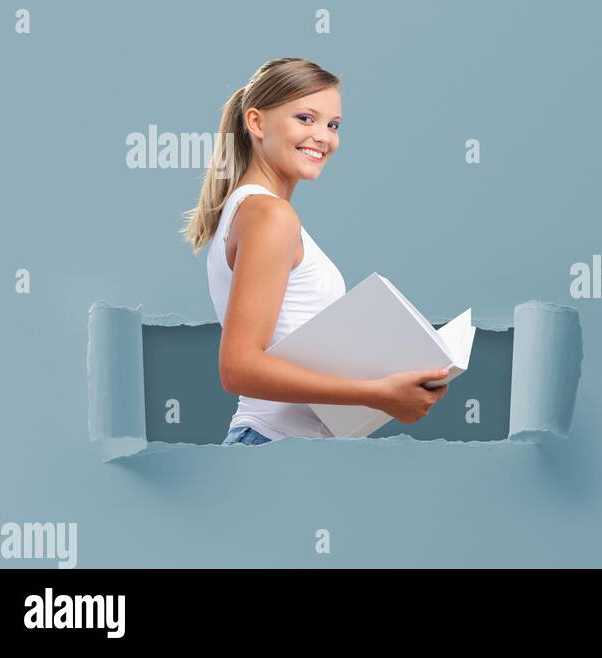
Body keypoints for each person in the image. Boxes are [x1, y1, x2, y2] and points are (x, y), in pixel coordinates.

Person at [180, 57, 447, 446]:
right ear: (256, 122)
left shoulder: (251, 211)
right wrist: (377, 394)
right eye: (306, 119)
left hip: (281, 445)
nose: (322, 136)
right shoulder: (271, 215)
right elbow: (238, 368)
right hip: (272, 444)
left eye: (332, 125)